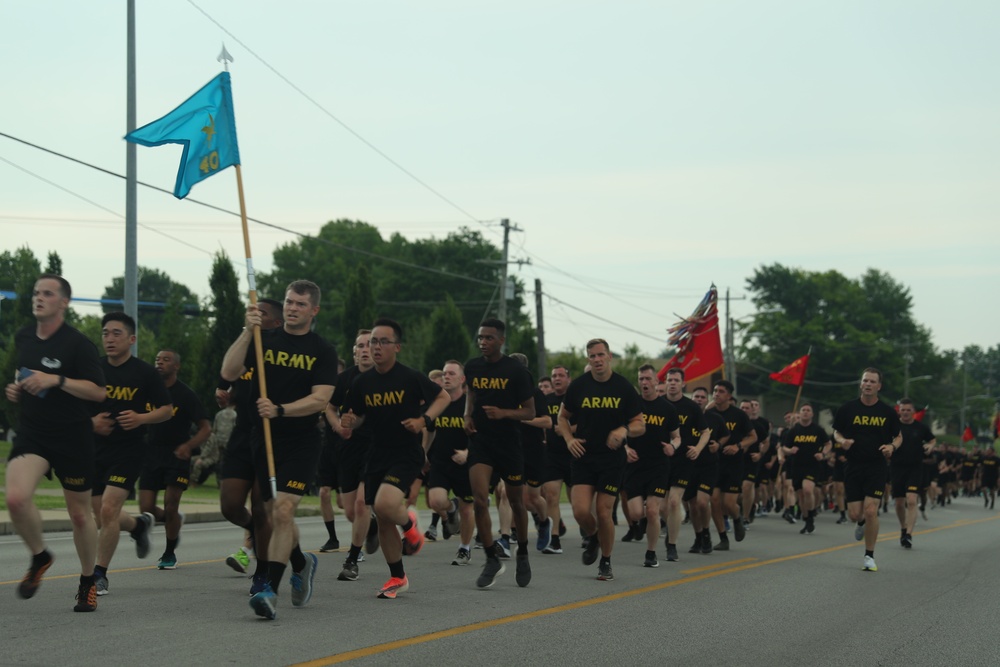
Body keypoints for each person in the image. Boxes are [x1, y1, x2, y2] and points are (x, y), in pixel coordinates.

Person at [221, 281, 338, 619]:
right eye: (288, 302)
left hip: (301, 441)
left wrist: (281, 409)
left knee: (283, 511)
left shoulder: (322, 350)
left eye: (300, 304)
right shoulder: (263, 340)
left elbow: (321, 398)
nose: (291, 308)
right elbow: (228, 372)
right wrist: (247, 331)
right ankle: (301, 563)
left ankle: (268, 589)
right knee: (276, 514)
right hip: (263, 438)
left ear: (313, 310)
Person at [4, 274, 106, 612]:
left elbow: (98, 392)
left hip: (72, 436)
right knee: (16, 499)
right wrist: (15, 389)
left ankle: (88, 580)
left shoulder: (78, 345)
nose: (39, 298)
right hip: (33, 432)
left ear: (63, 302)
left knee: (79, 515)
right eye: (36, 293)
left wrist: (58, 379)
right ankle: (40, 556)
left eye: (47, 294)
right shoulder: (23, 337)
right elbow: (22, 377)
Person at [341, 318, 450, 599]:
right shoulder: (362, 382)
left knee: (385, 504)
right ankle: (398, 577)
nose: (376, 347)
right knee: (384, 518)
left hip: (406, 453)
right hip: (376, 454)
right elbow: (357, 418)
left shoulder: (410, 377)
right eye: (373, 342)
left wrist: (423, 420)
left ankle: (410, 524)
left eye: (383, 342)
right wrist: (350, 421)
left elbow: (443, 398)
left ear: (397, 347)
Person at [90, 312, 172, 596]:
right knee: (101, 516)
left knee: (109, 509)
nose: (109, 339)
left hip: (129, 450)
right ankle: (138, 525)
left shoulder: (145, 373)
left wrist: (140, 418)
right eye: (105, 333)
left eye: (116, 333)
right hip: (95, 449)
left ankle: (99, 574)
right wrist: (92, 423)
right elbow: (76, 407)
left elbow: (166, 410)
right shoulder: (94, 369)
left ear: (131, 339)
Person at [558, 338, 645, 581]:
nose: (596, 359)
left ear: (609, 357)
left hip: (611, 460)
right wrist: (568, 440)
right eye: (592, 356)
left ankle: (605, 561)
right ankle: (594, 535)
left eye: (600, 355)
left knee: (604, 511)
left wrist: (624, 430)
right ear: (588, 359)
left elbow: (640, 424)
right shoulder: (578, 386)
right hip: (583, 455)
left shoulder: (623, 387)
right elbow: (562, 418)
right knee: (579, 511)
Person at [464, 318, 536, 589]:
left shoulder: (516, 371)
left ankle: (524, 552)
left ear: (501, 340)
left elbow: (530, 412)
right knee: (480, 501)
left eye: (489, 338)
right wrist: (467, 415)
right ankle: (491, 558)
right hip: (481, 442)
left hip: (509, 444)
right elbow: (471, 392)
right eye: (480, 337)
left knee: (517, 502)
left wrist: (504, 413)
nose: (483, 342)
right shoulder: (472, 366)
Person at [216, 297, 283, 587]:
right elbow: (226, 374)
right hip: (242, 433)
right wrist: (223, 393)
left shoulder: (281, 350)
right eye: (252, 312)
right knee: (230, 505)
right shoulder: (247, 345)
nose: (255, 316)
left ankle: (263, 573)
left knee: (260, 506)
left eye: (262, 313)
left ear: (277, 323)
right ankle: (254, 532)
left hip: (272, 435)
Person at [139, 349, 211, 570]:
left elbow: (205, 427)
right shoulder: (148, 392)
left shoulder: (185, 395)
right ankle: (175, 520)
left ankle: (169, 553)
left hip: (176, 455)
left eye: (165, 360)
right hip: (151, 453)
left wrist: (188, 446)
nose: (159, 363)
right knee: (147, 508)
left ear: (176, 366)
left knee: (170, 506)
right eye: (157, 359)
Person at [833, 368, 901, 572]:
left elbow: (898, 436)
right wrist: (842, 440)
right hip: (853, 465)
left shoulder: (887, 412)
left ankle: (869, 556)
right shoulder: (847, 409)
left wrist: (892, 447)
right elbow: (836, 431)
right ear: (861, 384)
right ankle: (860, 522)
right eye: (865, 381)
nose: (868, 384)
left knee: (871, 510)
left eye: (872, 381)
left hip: (876, 466)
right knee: (855, 514)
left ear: (879, 386)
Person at [324, 330, 377, 582]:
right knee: (348, 509)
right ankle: (372, 526)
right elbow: (329, 408)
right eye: (359, 346)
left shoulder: (385, 380)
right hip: (347, 448)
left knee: (360, 504)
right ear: (354, 351)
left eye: (368, 345)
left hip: (375, 446)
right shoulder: (344, 379)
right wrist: (338, 426)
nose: (364, 349)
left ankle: (352, 559)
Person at [623, 364, 680, 567]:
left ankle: (651, 552)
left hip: (658, 466)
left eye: (648, 379)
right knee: (636, 513)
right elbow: (619, 431)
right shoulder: (631, 405)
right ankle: (644, 525)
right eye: (641, 379)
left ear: (657, 381)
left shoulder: (668, 409)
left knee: (653, 511)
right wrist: (625, 448)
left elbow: (677, 437)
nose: (644, 383)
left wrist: (672, 447)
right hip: (634, 465)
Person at [424, 360, 475, 565]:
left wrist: (468, 452)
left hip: (465, 464)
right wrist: (423, 451)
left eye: (451, 374)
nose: (446, 376)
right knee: (435, 501)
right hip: (440, 462)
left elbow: (482, 435)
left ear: (462, 379)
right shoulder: (438, 402)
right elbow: (430, 428)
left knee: (467, 508)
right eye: (444, 373)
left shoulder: (469, 404)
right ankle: (450, 509)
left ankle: (464, 548)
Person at [662, 369, 712, 562]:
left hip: (683, 461)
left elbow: (705, 432)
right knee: (660, 508)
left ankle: (672, 545)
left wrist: (698, 449)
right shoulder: (659, 404)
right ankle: (673, 527)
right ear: (665, 382)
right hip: (661, 461)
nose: (672, 383)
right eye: (669, 380)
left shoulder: (691, 407)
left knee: (675, 502)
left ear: (683, 383)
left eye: (676, 380)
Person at [706, 381, 756, 550]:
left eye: (721, 391)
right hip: (714, 463)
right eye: (715, 390)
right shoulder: (709, 413)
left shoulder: (739, 415)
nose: (716, 394)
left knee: (728, 503)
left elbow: (753, 437)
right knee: (713, 500)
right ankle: (723, 538)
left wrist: (738, 446)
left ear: (729, 396)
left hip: (734, 464)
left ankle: (737, 517)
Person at [782, 404, 831, 535]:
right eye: (803, 410)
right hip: (796, 466)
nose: (805, 412)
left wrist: (823, 454)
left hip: (812, 465)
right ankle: (807, 518)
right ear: (800, 413)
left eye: (808, 410)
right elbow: (785, 448)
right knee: (801, 496)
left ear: (812, 414)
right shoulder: (794, 430)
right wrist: (790, 450)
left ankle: (810, 517)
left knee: (808, 490)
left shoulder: (818, 429)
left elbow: (828, 444)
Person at [893, 398, 936, 547]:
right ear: (899, 411)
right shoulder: (893, 426)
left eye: (908, 410)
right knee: (899, 503)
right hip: (896, 468)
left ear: (913, 412)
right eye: (902, 410)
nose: (905, 412)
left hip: (915, 468)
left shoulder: (921, 428)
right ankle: (903, 529)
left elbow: (932, 439)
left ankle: (909, 535)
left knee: (911, 500)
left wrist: (930, 446)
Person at [541, 365, 572, 554]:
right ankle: (554, 539)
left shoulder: (575, 400)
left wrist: (568, 431)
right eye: (554, 376)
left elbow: (587, 425)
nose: (557, 378)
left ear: (568, 378)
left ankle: (589, 533)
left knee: (577, 503)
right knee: (551, 496)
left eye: (561, 375)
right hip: (552, 455)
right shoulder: (546, 400)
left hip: (574, 454)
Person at [191, 395, 235, 487]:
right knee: (223, 464)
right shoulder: (235, 415)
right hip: (229, 443)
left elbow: (214, 428)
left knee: (218, 463)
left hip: (218, 442)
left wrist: (214, 438)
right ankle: (221, 483)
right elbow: (235, 429)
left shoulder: (219, 414)